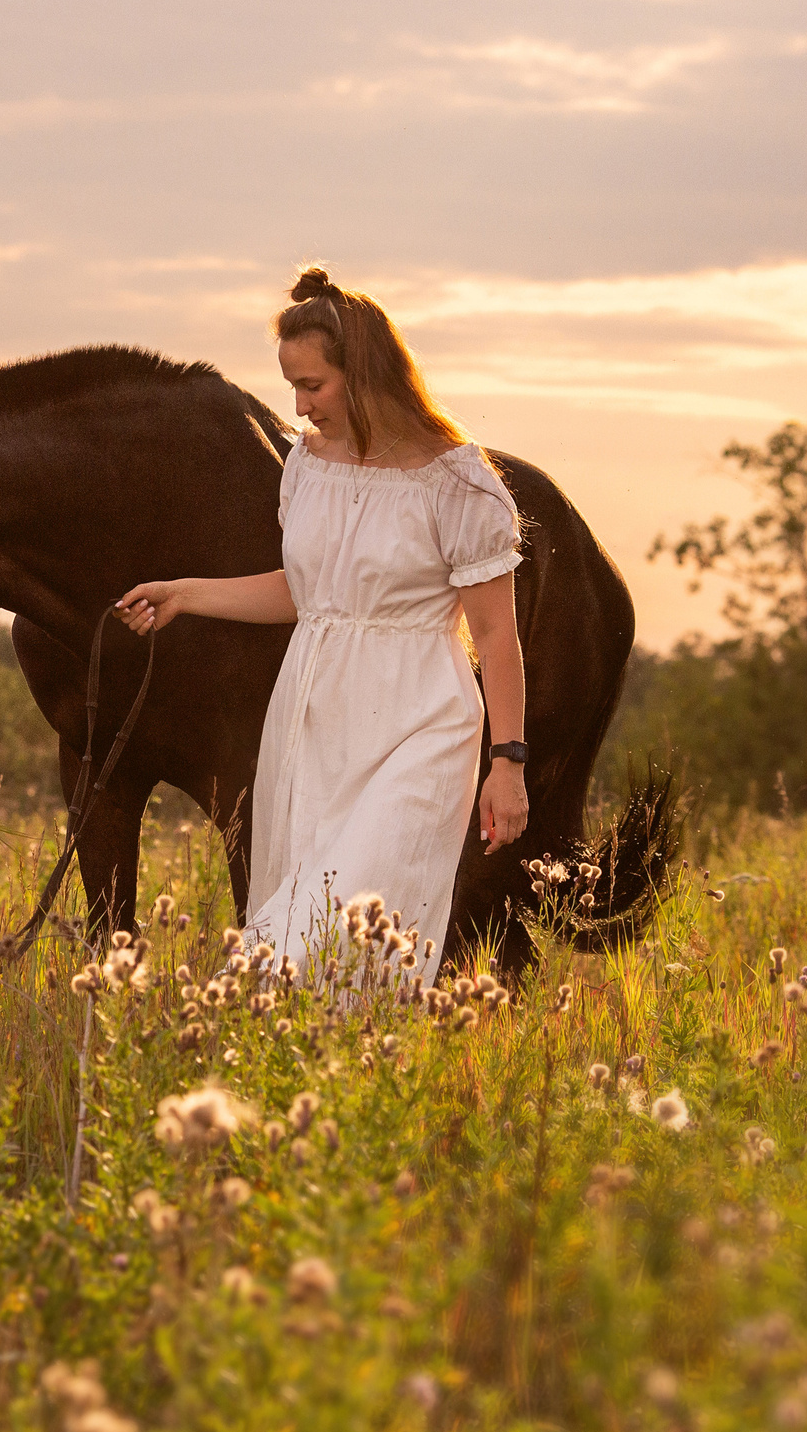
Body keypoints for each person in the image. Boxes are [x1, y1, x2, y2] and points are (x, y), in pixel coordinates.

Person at [115, 269, 527, 987]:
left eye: (313, 385)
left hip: (419, 722)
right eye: (292, 386)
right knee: (301, 917)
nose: (299, 406)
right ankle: (324, 1079)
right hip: (314, 723)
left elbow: (496, 636)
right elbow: (312, 594)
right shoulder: (305, 465)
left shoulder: (460, 484)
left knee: (350, 921)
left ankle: (285, 1037)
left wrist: (509, 763)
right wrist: (185, 594)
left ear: (366, 373)